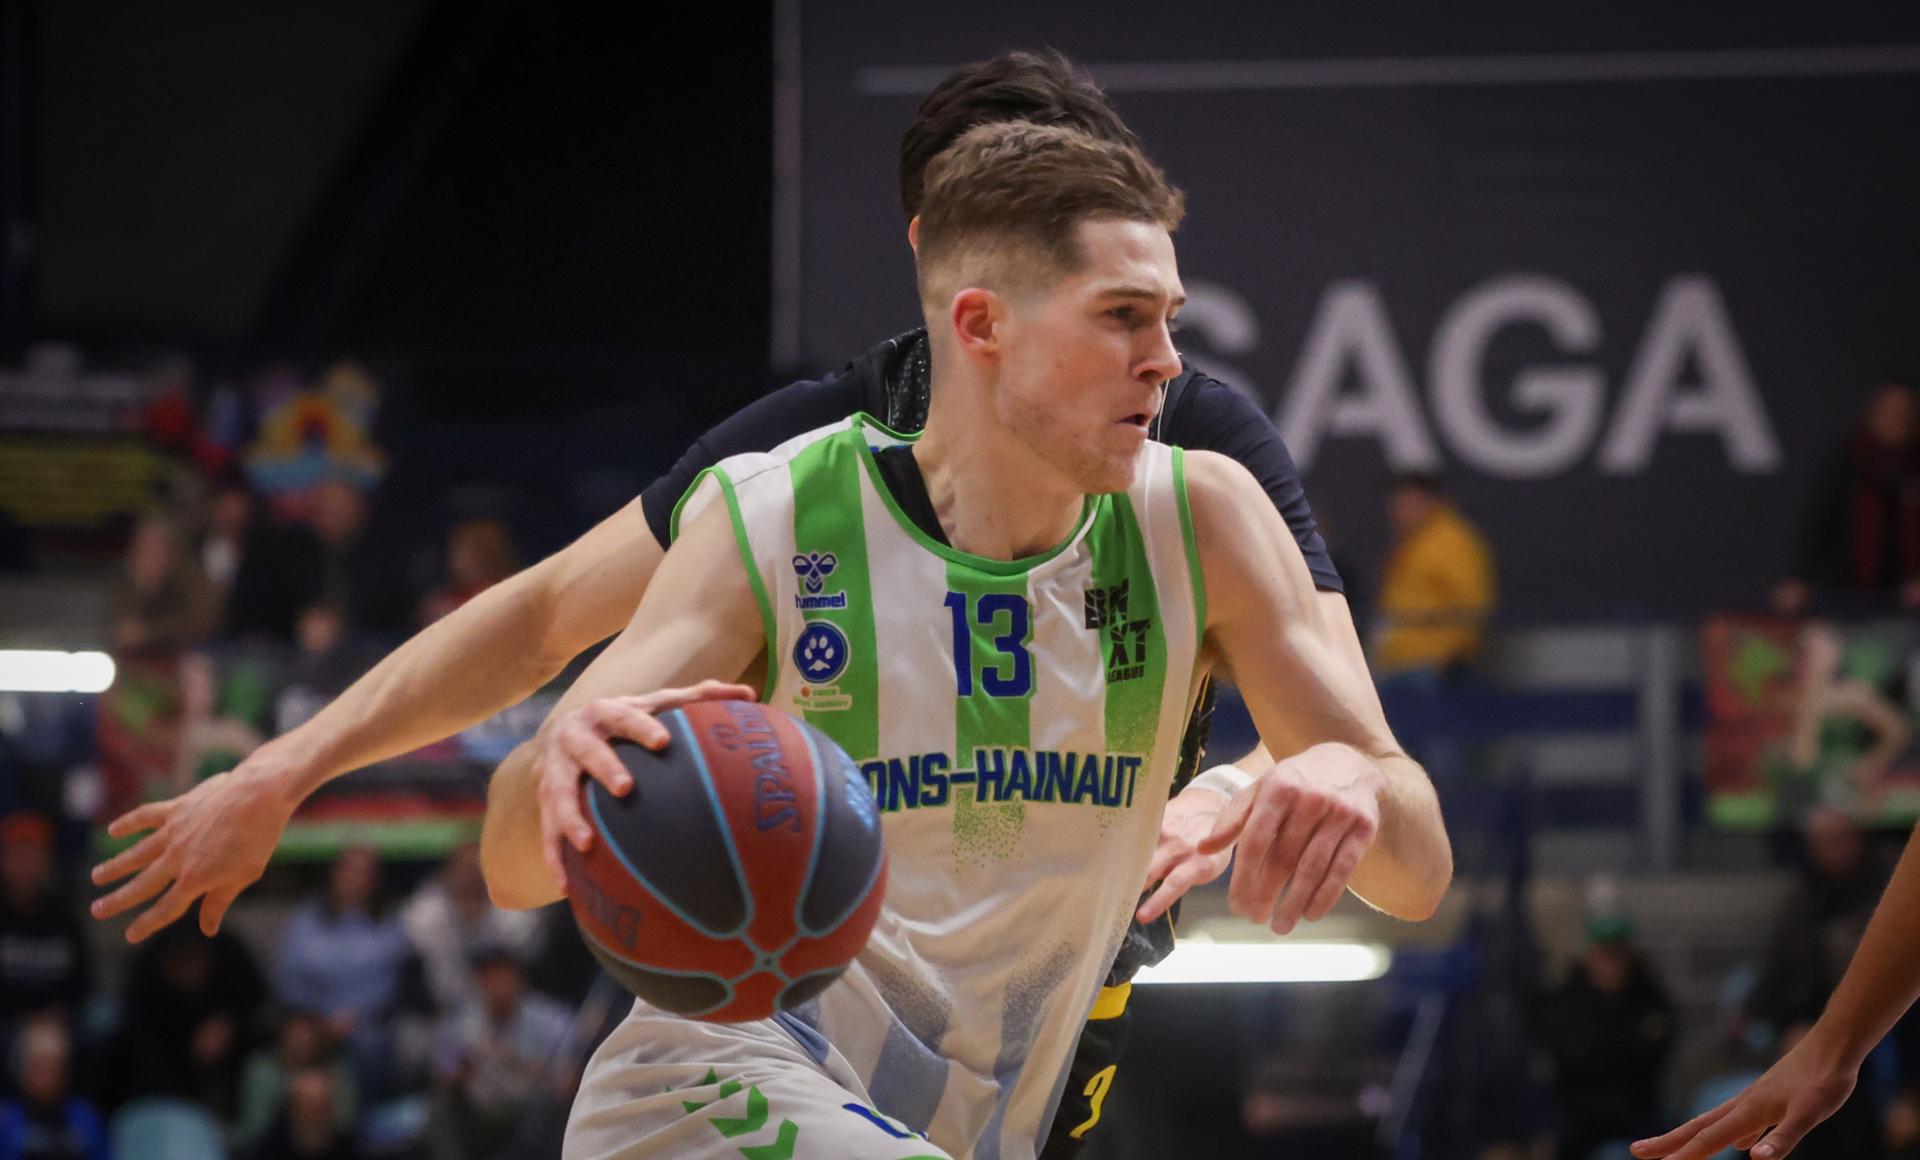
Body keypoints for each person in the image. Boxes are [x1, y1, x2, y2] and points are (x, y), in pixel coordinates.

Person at [94, 49, 1373, 1156]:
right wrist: (288, 769)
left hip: (1064, 959)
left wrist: (1248, 780)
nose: (1151, 345)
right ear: (946, 254)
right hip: (782, 996)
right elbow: (546, 618)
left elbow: (1357, 742)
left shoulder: (1184, 443)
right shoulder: (807, 463)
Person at [481, 120, 1449, 1159]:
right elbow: (510, 865)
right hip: (711, 1090)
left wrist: (1354, 772)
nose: (1165, 360)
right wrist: (562, 770)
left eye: (1168, 318)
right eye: (1122, 317)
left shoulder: (1203, 518)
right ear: (983, 324)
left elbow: (1417, 872)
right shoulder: (780, 518)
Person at [1632, 824, 1920, 1160]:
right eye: (1821, 841)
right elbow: (1778, 973)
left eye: (1837, 838)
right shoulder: (1805, 897)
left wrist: (1835, 1055)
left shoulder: (1877, 882)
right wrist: (1810, 1040)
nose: (1830, 851)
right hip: (1831, 1046)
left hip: (1874, 1049)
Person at [273, 846, 415, 1100]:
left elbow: (396, 981)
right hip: (312, 1021)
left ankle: (369, 1126)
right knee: (298, 1043)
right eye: (350, 870)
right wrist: (319, 1017)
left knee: (381, 1046)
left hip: (371, 1024)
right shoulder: (306, 922)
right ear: (334, 873)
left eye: (365, 872)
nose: (358, 878)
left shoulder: (390, 923)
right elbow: (289, 979)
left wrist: (355, 1016)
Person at [1535, 916, 1677, 1159]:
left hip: (1636, 1103)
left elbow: (1656, 1048)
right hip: (1579, 1105)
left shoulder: (1647, 995)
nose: (1609, 963)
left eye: (1616, 954)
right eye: (1603, 953)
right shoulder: (1569, 997)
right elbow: (1566, 1053)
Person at [1774, 381, 1920, 615]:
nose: (1896, 421)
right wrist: (1801, 579)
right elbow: (1818, 527)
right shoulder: (1845, 465)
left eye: (1904, 414)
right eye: (1889, 412)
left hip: (1907, 607)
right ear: (1872, 414)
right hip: (1842, 597)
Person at [428, 942, 576, 1160]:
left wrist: (514, 1060)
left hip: (531, 1110)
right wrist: (462, 1071)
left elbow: (567, 1081)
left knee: (549, 1107)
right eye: (487, 975)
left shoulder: (550, 1017)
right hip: (485, 1110)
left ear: (519, 977)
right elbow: (443, 1077)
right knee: (441, 1107)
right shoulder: (462, 1022)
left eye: (502, 973)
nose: (495, 983)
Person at [0, 813, 90, 1041]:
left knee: (102, 1022)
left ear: (47, 861)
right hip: (8, 1024)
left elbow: (82, 982)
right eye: (17, 855)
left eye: (32, 855)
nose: (24, 865)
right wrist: (24, 1019)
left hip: (57, 1025)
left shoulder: (63, 917)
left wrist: (58, 1015)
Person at [0, 1019, 109, 1160]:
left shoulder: (86, 1117)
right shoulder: (5, 1119)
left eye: (57, 1064)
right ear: (18, 1067)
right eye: (39, 1064)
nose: (49, 1074)